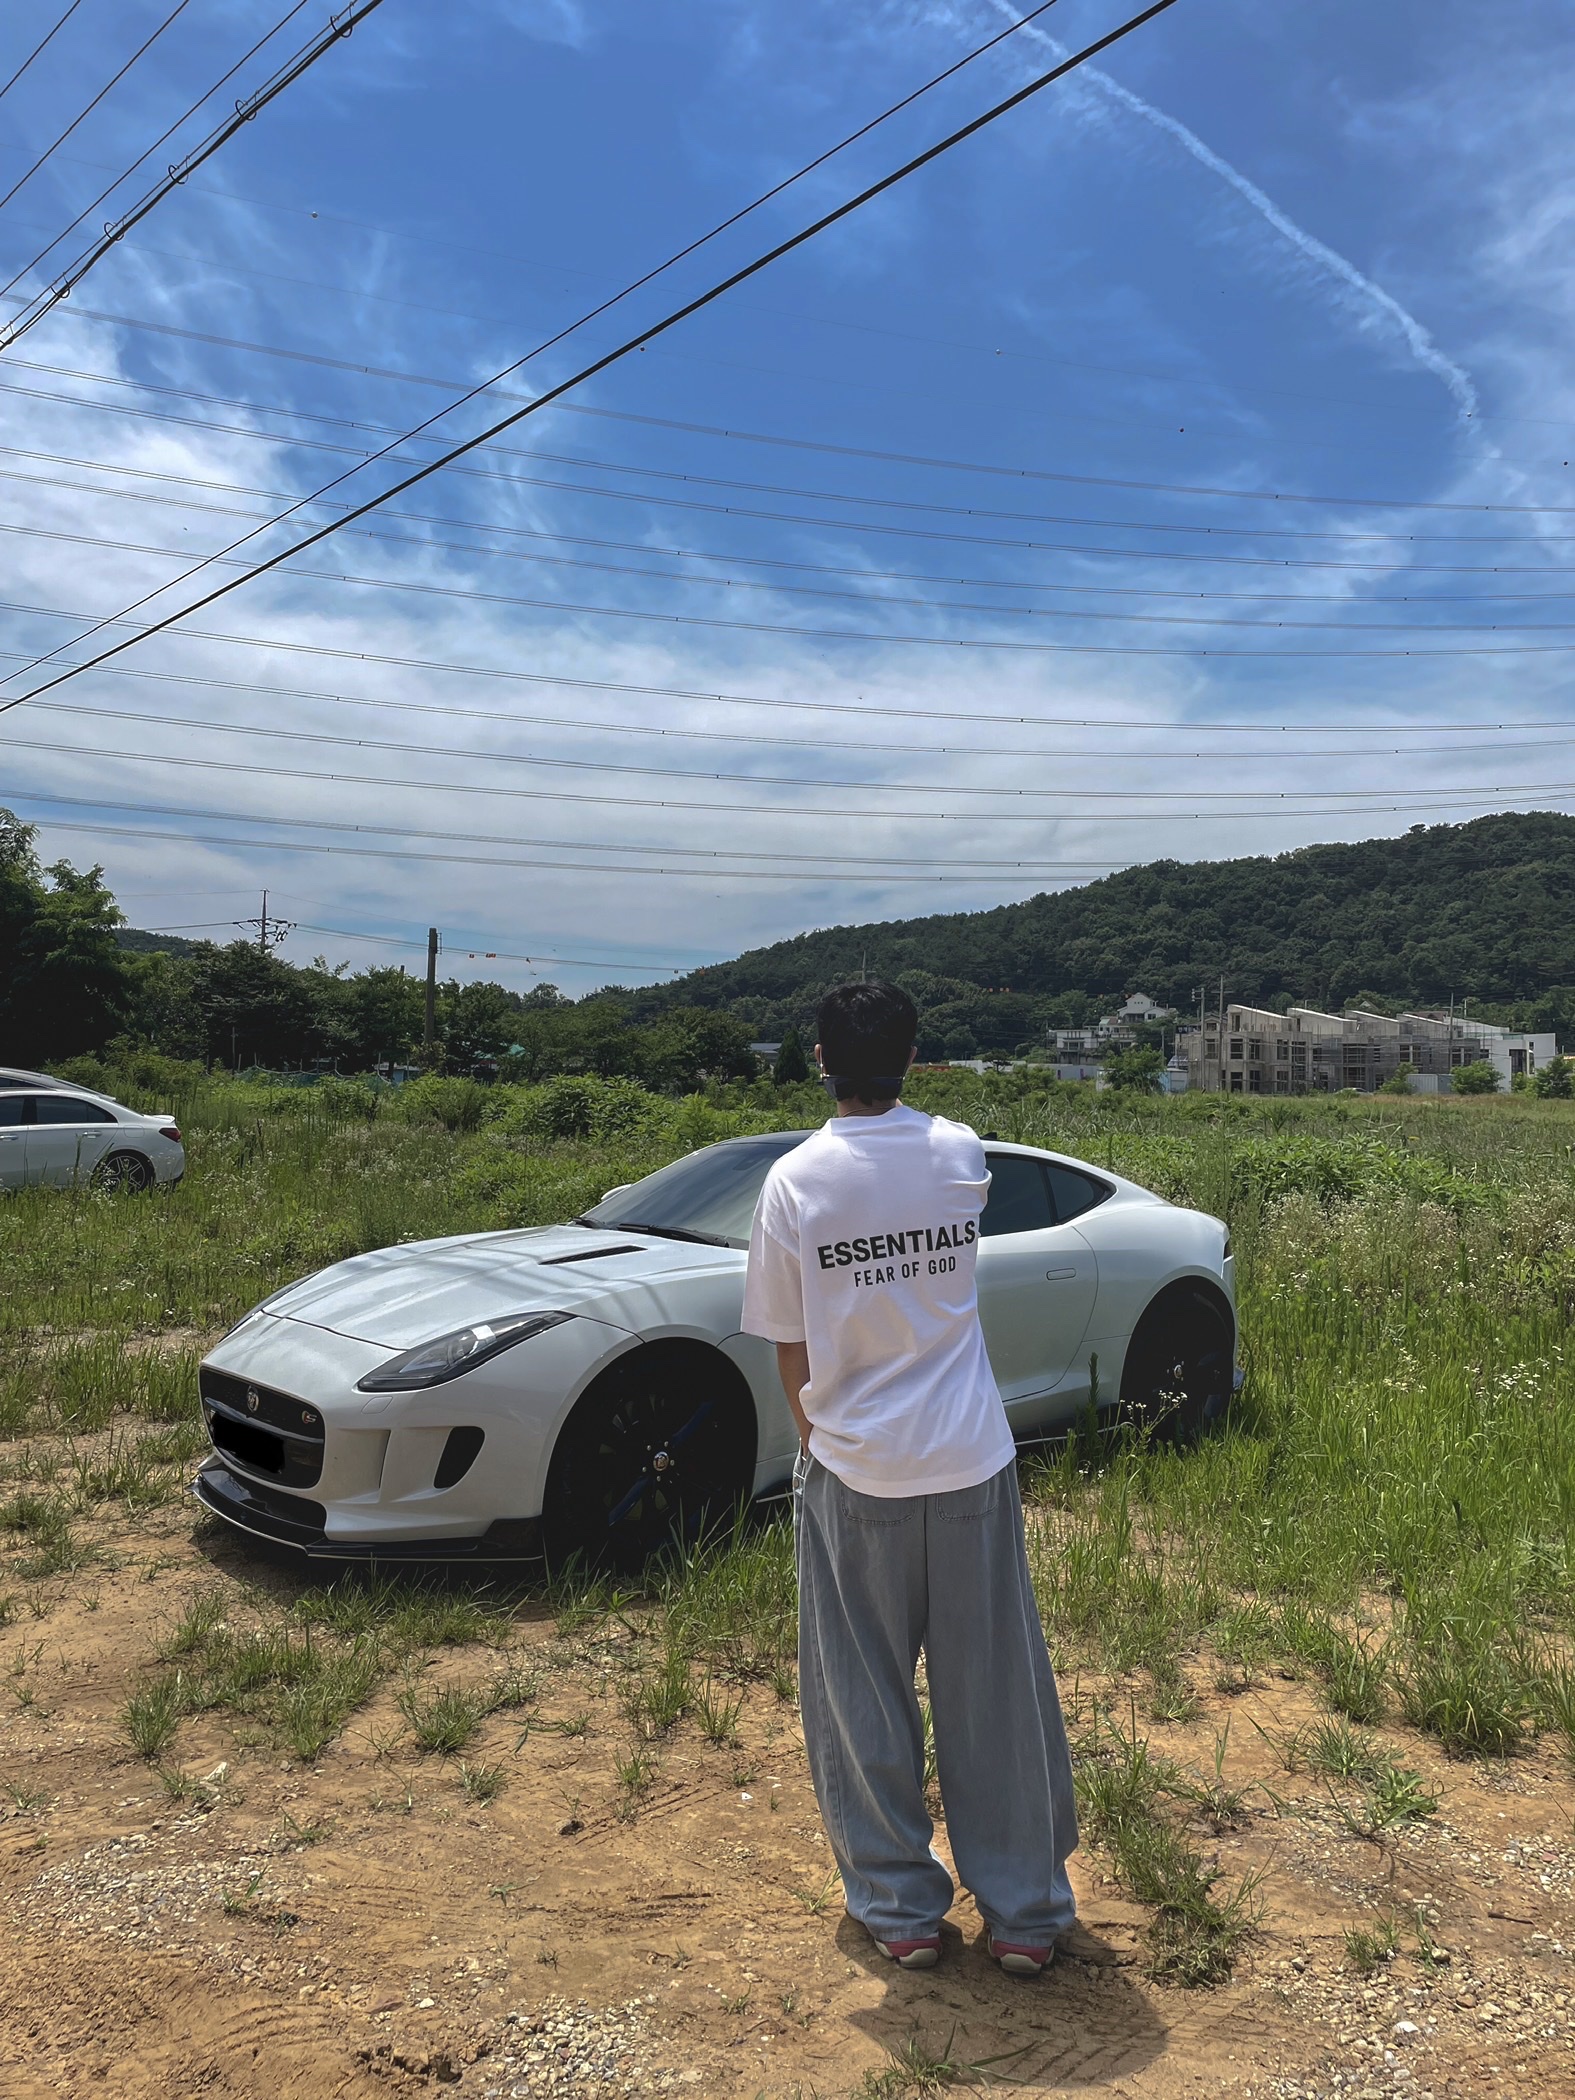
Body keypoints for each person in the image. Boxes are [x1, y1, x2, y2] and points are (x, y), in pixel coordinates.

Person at [741, 980, 1078, 1978]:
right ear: (913, 1057)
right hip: (969, 1455)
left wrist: (817, 1439)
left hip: (857, 1464)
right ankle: (1024, 1913)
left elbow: (791, 1342)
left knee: (860, 1688)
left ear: (818, 1060)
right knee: (994, 1689)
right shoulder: (958, 1153)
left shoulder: (793, 1182)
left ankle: (899, 1909)